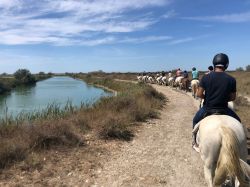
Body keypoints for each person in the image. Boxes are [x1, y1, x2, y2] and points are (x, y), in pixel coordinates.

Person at [192, 53, 241, 151]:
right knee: (238, 122)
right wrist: (222, 98)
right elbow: (232, 97)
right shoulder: (231, 79)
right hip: (224, 109)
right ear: (226, 65)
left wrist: (208, 97)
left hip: (207, 108)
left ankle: (194, 142)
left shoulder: (206, 77)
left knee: (195, 120)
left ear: (214, 64)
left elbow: (198, 94)